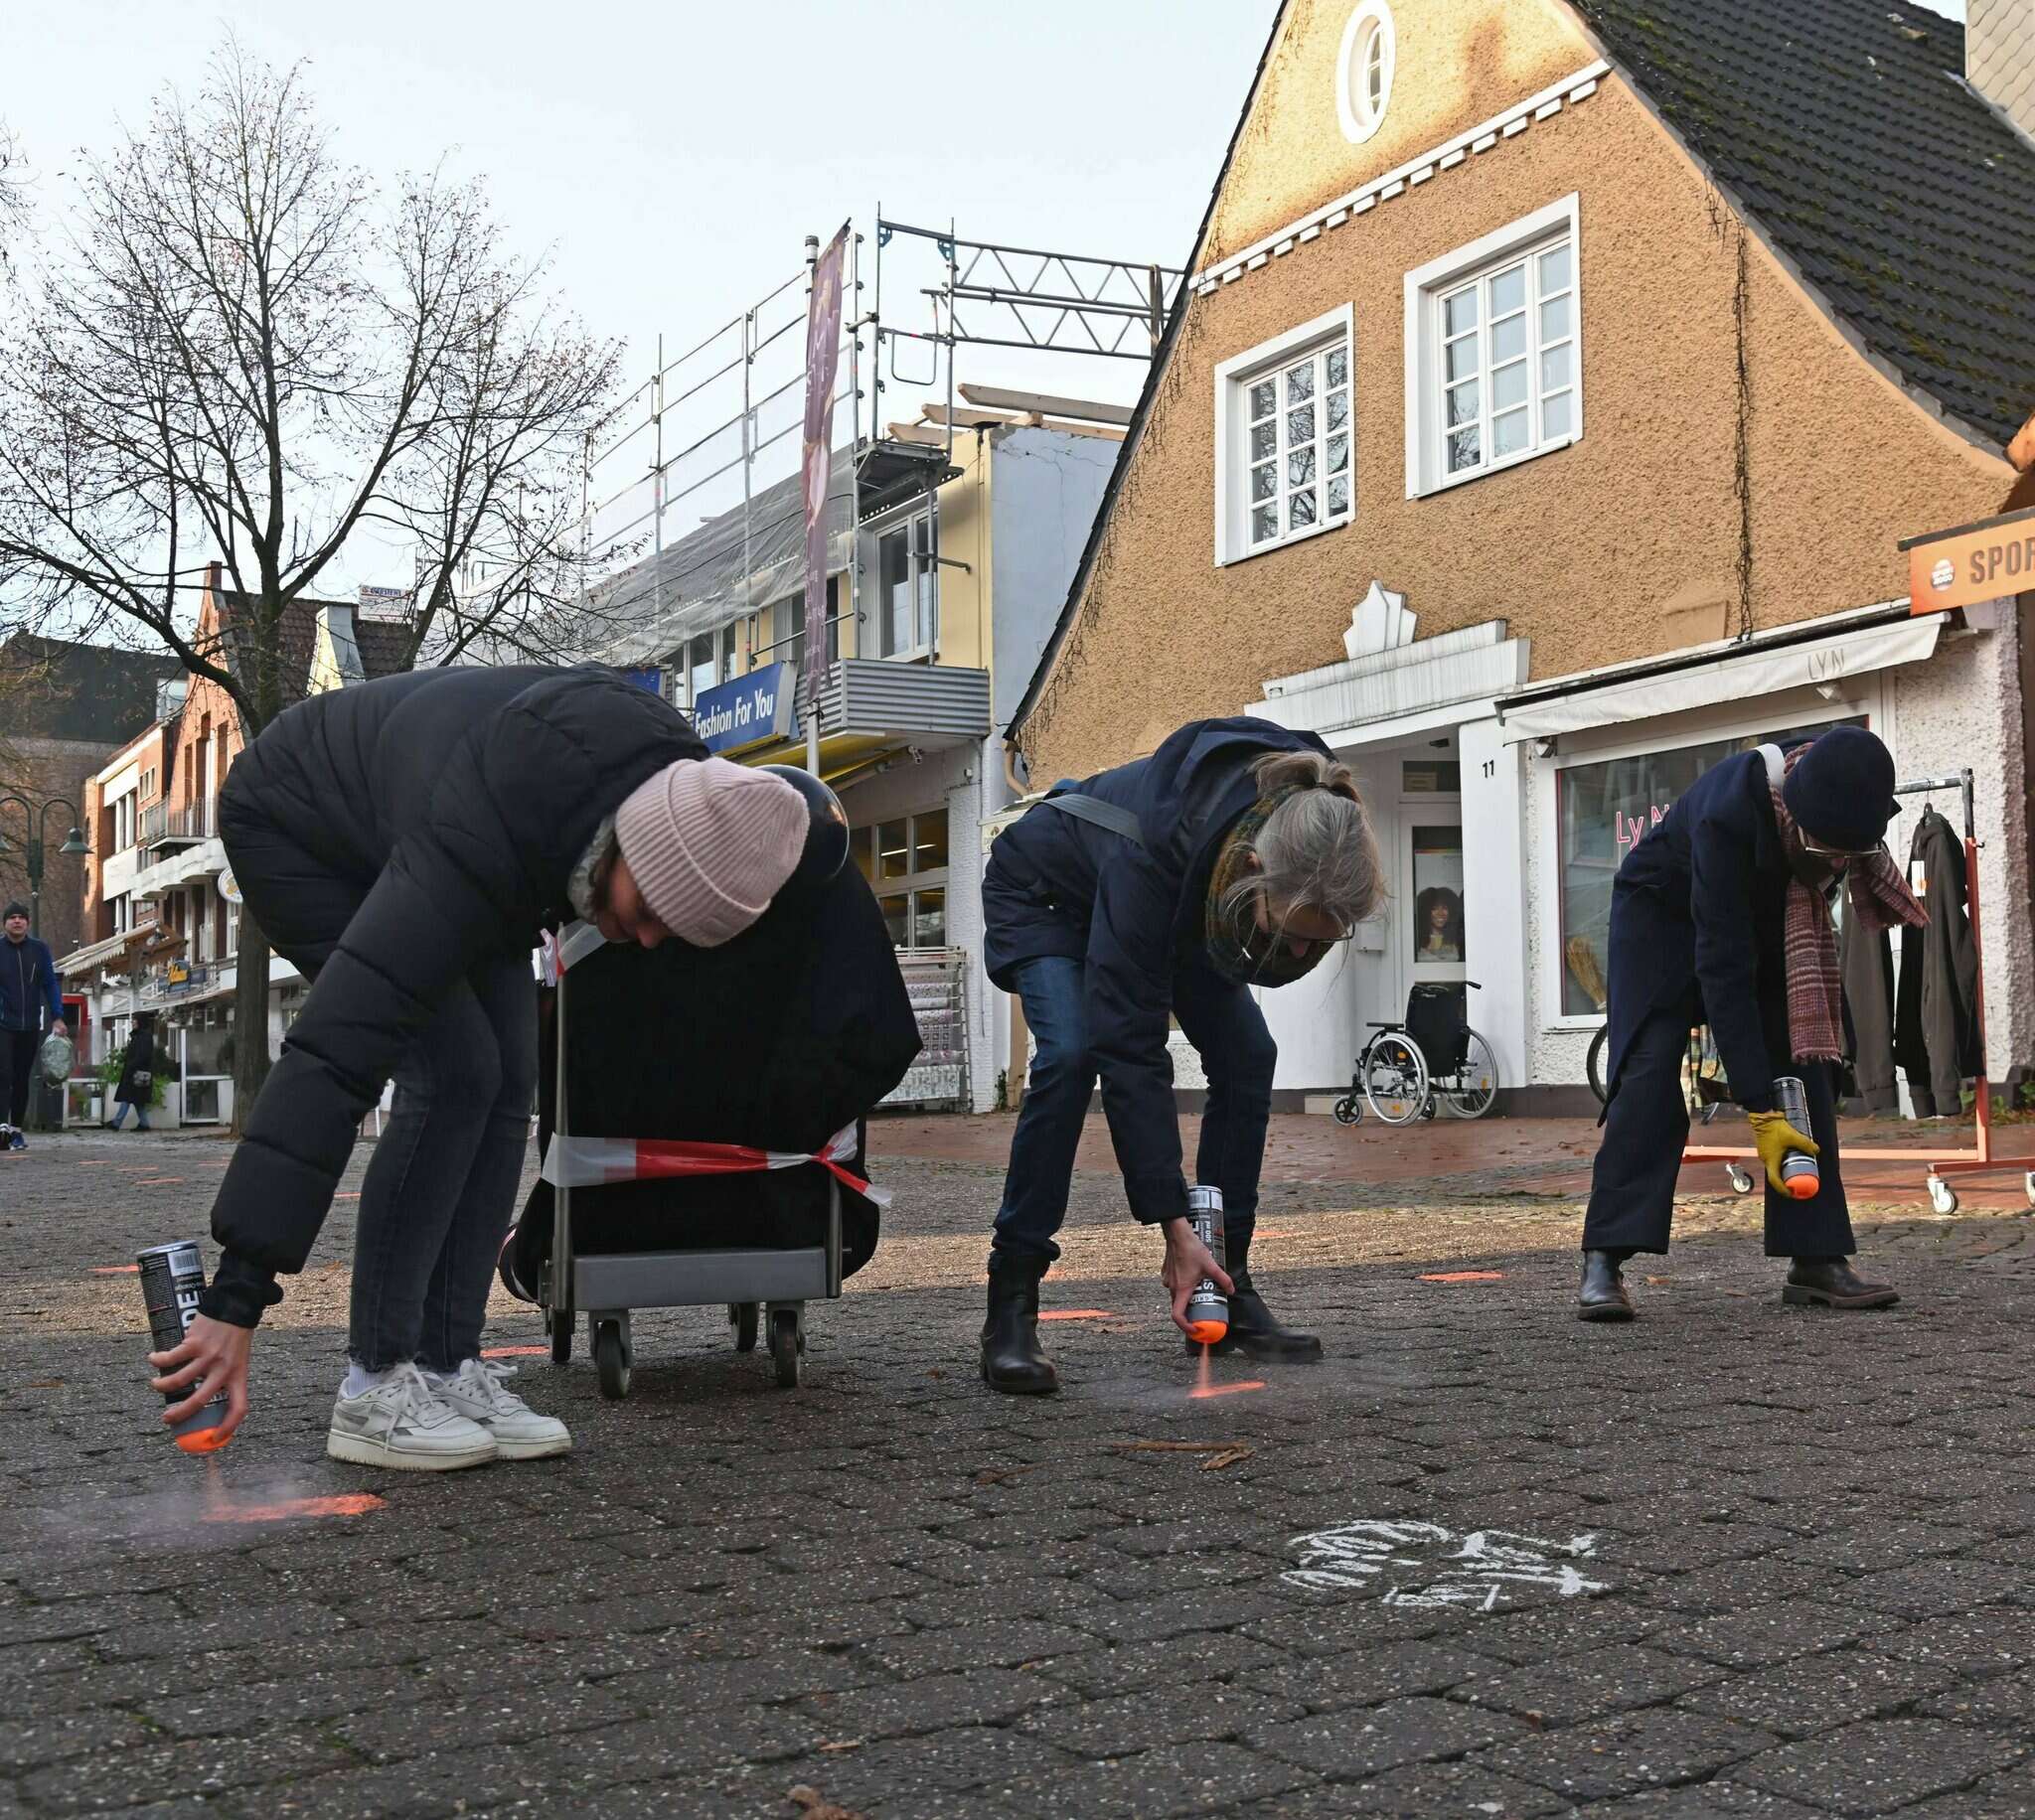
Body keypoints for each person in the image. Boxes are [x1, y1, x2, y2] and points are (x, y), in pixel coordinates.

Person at [149, 666, 818, 1470]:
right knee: (455, 1068)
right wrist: (235, 1296)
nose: (643, 941)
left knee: (509, 1078)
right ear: (637, 847)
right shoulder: (486, 827)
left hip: (449, 813)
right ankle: (374, 1386)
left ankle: (443, 1364)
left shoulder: (669, 793)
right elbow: (337, 1051)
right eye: (648, 915)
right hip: (302, 823)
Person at [979, 717, 1385, 1394]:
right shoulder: (1150, 854)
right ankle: (1011, 1304)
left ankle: (1226, 1285)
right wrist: (1171, 1222)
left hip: (1181, 899)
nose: (1298, 959)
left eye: (1319, 946)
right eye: (1290, 938)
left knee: (1248, 1055)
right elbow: (1132, 1052)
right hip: (1049, 898)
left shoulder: (1313, 818)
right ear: (1254, 870)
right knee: (1074, 1054)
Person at [1580, 725, 1926, 1320]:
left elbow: (1761, 966)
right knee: (1649, 1069)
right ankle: (1604, 1262)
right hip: (1660, 920)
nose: (1834, 863)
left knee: (1807, 1061)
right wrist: (1759, 1110)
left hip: (1762, 920)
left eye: (1844, 853)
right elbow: (1723, 968)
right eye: (1823, 849)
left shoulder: (1840, 778)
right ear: (1795, 811)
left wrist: (1779, 1092)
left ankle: (1817, 1259)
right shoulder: (1728, 815)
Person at [1, 901, 65, 1153]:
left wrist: (57, 1016)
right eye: (12, 918)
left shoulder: (39, 950)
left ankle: (16, 1131)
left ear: (27, 923)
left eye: (21, 917)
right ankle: (2, 1127)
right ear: (5, 923)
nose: (17, 921)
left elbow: (50, 983)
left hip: (29, 1024)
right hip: (3, 1022)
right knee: (3, 1073)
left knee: (21, 1078)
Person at [105, 1009, 158, 1132]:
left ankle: (117, 1123)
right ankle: (144, 1124)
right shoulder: (138, 1035)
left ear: (140, 1021)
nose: (132, 1022)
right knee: (137, 1100)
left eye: (135, 1020)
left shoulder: (144, 1036)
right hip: (135, 1072)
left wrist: (131, 1066)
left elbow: (143, 1055)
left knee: (128, 1097)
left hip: (137, 1073)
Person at [1416, 886, 1464, 963]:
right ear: (1426, 911)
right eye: (1434, 908)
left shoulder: (1456, 939)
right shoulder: (1417, 940)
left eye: (1444, 908)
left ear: (1451, 910)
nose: (1440, 913)